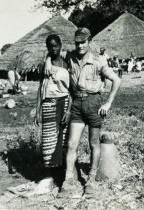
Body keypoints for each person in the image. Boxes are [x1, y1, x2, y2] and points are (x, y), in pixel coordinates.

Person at [44, 27, 121, 198]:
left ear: (89, 42)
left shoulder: (99, 61)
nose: (80, 46)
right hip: (77, 105)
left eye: (83, 42)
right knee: (72, 144)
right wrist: (48, 60)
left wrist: (108, 103)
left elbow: (116, 80)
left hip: (93, 103)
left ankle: (91, 180)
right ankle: (68, 180)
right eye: (77, 43)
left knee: (93, 143)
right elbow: (54, 52)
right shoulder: (70, 57)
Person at [34, 34, 72, 188]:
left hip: (64, 103)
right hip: (48, 104)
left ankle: (63, 174)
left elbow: (73, 90)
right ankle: (50, 175)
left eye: (56, 45)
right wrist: (37, 110)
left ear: (61, 45)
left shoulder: (67, 63)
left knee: (63, 139)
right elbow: (40, 88)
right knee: (48, 140)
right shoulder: (44, 66)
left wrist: (69, 110)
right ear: (47, 48)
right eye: (50, 46)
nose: (53, 48)